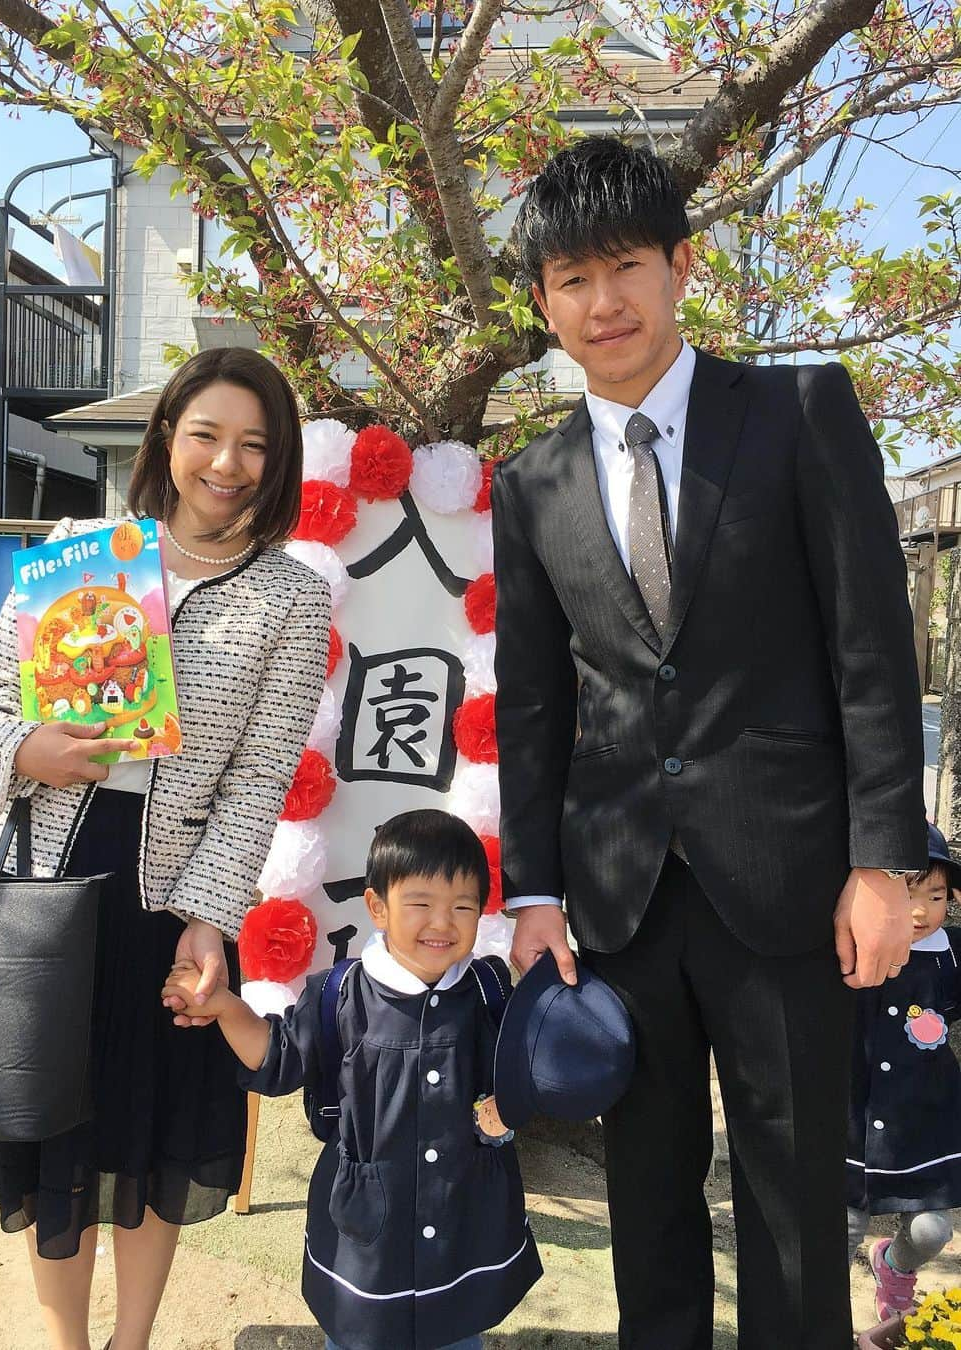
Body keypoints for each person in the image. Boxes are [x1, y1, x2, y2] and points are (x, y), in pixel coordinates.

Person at [491, 135, 926, 1349]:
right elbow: (531, 702)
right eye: (571, 279)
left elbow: (871, 645)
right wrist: (531, 889)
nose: (602, 301)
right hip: (620, 895)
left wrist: (883, 856)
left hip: (791, 880)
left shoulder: (796, 411)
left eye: (625, 265)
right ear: (544, 303)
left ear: (683, 265)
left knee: (792, 1199)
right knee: (647, 1195)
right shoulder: (530, 482)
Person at [0, 347, 331, 1350]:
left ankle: (133, 1341)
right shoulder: (84, 547)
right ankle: (66, 1343)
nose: (227, 462)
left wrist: (209, 921)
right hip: (40, 878)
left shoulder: (290, 597)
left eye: (254, 444)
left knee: (154, 1130)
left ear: (278, 462)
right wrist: (25, 743)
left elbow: (256, 781)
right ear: (167, 436)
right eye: (206, 434)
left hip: (170, 901)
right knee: (52, 1130)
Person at [161, 808, 542, 1350]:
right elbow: (275, 1057)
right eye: (421, 904)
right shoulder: (340, 994)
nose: (442, 923)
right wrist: (224, 1007)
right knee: (359, 1336)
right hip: (367, 1229)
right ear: (376, 907)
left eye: (463, 906)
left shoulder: (487, 990)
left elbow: (527, 1071)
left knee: (457, 1331)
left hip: (465, 1216)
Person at [848, 822, 961, 1322]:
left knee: (932, 1231)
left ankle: (894, 1268)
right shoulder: (849, 941)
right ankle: (818, 1321)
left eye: (936, 895)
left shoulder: (952, 955)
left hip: (925, 1123)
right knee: (840, 1230)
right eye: (909, 892)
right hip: (850, 1119)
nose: (921, 911)